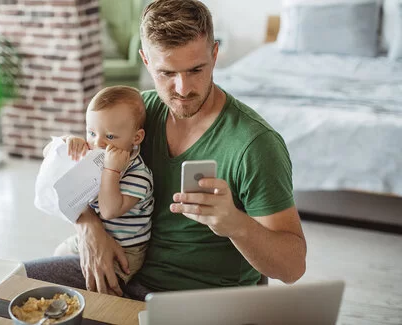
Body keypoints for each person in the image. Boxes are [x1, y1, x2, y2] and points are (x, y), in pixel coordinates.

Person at [26, 0, 307, 301]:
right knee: (16, 288)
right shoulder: (137, 114)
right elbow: (73, 180)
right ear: (146, 61)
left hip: (197, 301)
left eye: (196, 69)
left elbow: (292, 269)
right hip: (124, 278)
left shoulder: (255, 145)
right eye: (167, 73)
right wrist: (88, 226)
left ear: (214, 55)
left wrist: (236, 225)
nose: (183, 89)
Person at [44, 86, 154, 287]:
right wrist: (66, 142)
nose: (97, 143)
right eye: (91, 132)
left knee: (99, 286)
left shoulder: (138, 174)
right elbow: (48, 154)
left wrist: (111, 172)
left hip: (126, 251)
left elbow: (108, 210)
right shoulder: (94, 151)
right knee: (59, 253)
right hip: (93, 237)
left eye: (110, 137)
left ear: (136, 138)